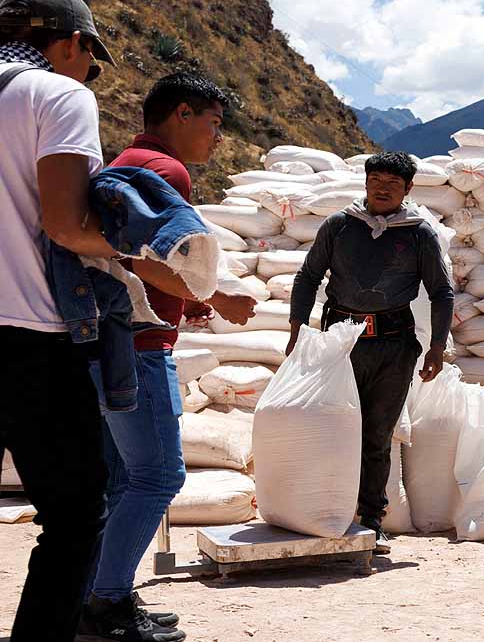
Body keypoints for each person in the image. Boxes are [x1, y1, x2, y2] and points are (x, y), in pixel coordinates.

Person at [77, 71, 258, 642]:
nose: (217, 137)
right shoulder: (165, 169)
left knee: (119, 480)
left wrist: (183, 298)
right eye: (213, 122)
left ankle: (99, 596)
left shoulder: (122, 162)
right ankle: (104, 606)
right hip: (140, 345)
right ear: (181, 114)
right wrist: (214, 294)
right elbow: (137, 255)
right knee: (158, 476)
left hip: (106, 339)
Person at [0, 0, 118, 642]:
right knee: (75, 516)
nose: (89, 73)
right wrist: (144, 252)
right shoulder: (57, 94)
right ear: (71, 43)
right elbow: (66, 225)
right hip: (25, 338)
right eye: (90, 59)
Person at [288, 151, 454, 554]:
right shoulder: (339, 227)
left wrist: (436, 347)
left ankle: (371, 520)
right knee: (332, 427)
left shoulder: (418, 234)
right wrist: (296, 331)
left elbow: (441, 292)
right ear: (364, 183)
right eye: (376, 179)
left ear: (408, 189)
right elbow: (308, 277)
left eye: (393, 183)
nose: (382, 188)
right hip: (339, 343)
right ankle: (325, 510)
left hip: (394, 347)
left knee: (377, 434)